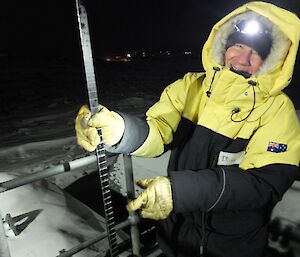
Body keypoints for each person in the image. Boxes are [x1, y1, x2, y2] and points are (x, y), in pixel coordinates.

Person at [75, 2, 300, 257]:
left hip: (233, 246)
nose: (241, 58)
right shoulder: (190, 86)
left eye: (256, 52)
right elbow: (158, 130)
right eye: (237, 45)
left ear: (273, 61)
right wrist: (120, 130)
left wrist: (180, 191)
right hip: (175, 236)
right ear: (223, 45)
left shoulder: (278, 110)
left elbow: (265, 183)